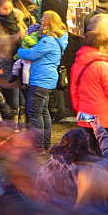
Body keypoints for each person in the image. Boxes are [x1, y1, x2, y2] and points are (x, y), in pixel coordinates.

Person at [17, 10, 68, 152]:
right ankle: (45, 143)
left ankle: (38, 145)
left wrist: (20, 49)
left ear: (48, 22)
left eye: (42, 20)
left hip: (40, 79)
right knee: (44, 112)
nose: (40, 22)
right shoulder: (57, 39)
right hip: (47, 79)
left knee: (34, 113)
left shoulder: (48, 41)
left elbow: (31, 54)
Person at [36, 119, 108, 201]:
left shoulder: (47, 167)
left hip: (53, 210)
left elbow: (39, 191)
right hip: (81, 211)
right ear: (86, 146)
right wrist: (100, 131)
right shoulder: (94, 169)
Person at [70, 29, 108, 140]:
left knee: (90, 145)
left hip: (85, 113)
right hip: (103, 115)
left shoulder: (78, 63)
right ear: (101, 46)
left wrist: (78, 108)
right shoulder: (103, 65)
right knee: (104, 147)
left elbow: (74, 90)